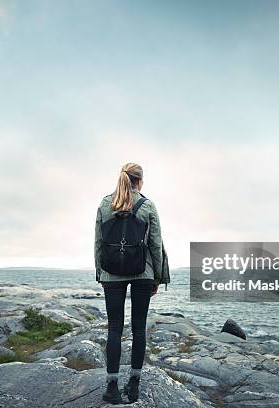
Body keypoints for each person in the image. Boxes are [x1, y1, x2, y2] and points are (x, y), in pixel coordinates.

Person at [94, 162, 169, 404]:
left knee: (114, 328)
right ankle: (134, 386)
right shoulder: (147, 205)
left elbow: (98, 242)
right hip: (142, 273)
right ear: (140, 181)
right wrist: (157, 277)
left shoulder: (105, 204)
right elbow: (155, 245)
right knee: (138, 328)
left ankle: (112, 388)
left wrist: (100, 273)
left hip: (111, 274)